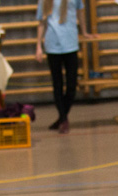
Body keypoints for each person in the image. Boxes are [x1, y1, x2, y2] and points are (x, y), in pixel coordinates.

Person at [36, 0, 91, 134]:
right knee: (57, 84)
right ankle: (64, 119)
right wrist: (38, 46)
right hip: (52, 45)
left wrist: (84, 32)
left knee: (72, 85)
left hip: (71, 44)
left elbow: (80, 12)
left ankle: (62, 117)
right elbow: (41, 22)